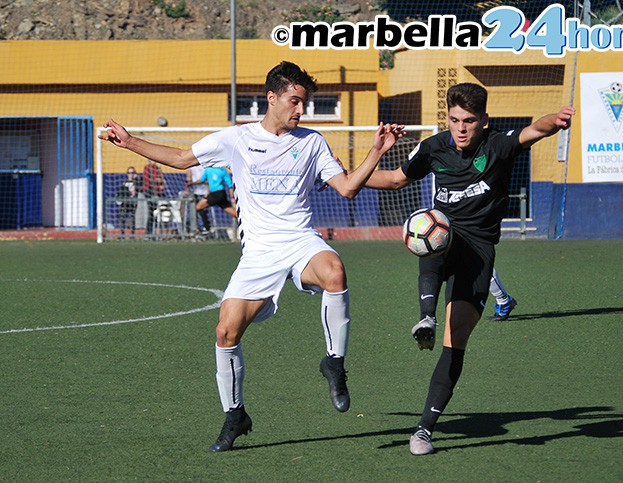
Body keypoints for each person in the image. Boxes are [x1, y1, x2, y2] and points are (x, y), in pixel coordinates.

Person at [99, 60, 405, 452]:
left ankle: (334, 362)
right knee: (225, 332)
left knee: (334, 272)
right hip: (259, 252)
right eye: (294, 101)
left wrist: (377, 150)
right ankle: (235, 415)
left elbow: (346, 188)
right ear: (272, 97)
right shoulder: (236, 139)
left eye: (304, 104)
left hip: (299, 241)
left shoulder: (311, 143)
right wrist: (129, 142)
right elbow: (179, 158)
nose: (300, 110)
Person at [365, 82, 574, 455]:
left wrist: (556, 121)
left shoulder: (499, 144)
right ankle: (425, 317)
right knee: (432, 230)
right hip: (445, 233)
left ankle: (424, 429)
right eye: (455, 119)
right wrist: (341, 174)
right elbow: (395, 179)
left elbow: (535, 129)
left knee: (456, 338)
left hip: (479, 250)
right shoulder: (433, 147)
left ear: (484, 121)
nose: (460, 128)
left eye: (469, 121)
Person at [186, 166, 237, 237]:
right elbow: (230, 184)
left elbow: (201, 180)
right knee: (234, 213)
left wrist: (192, 183)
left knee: (198, 207)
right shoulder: (222, 170)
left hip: (215, 194)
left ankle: (206, 227)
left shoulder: (209, 169)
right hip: (222, 194)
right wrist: (232, 196)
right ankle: (245, 222)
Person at [115, 166, 141, 239]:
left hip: (133, 203)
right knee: (122, 216)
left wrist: (136, 179)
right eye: (129, 173)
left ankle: (132, 234)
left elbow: (140, 188)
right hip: (125, 203)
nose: (131, 174)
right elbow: (121, 192)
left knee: (132, 218)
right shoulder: (124, 183)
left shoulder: (137, 182)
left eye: (133, 173)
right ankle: (122, 233)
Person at [142, 159, 166, 236]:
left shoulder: (158, 169)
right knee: (151, 212)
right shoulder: (147, 168)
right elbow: (147, 180)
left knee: (158, 212)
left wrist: (160, 182)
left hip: (157, 192)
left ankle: (158, 232)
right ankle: (149, 233)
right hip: (149, 191)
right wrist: (156, 180)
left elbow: (162, 180)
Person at [185, 164, 211, 234]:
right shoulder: (191, 167)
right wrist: (186, 190)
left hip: (204, 192)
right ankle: (195, 228)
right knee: (194, 211)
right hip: (195, 192)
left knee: (203, 211)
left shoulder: (205, 166)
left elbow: (208, 180)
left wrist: (208, 192)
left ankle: (205, 227)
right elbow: (188, 179)